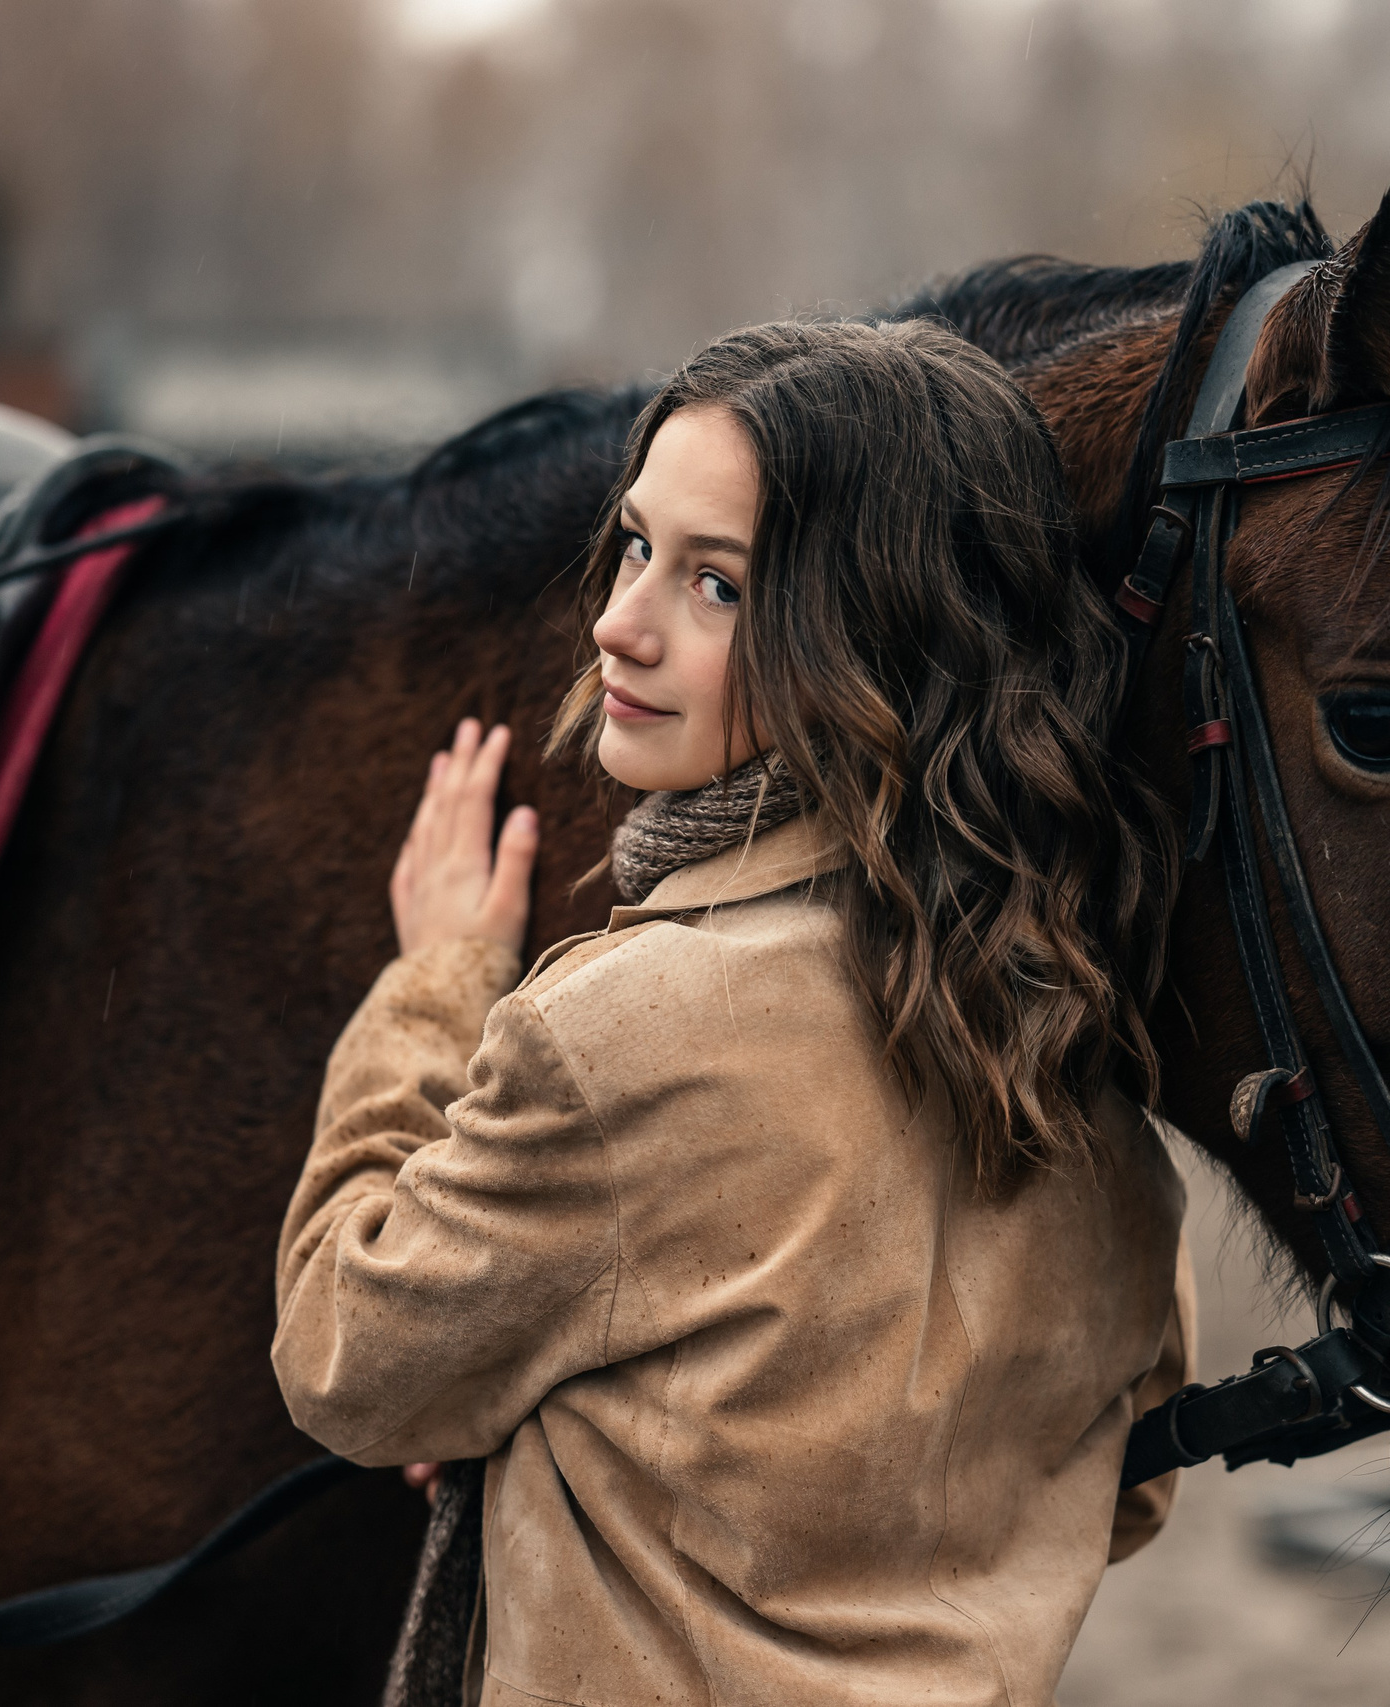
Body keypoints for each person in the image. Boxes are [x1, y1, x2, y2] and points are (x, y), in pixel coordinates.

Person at [273, 319, 1193, 1707]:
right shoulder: (1091, 1041)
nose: (617, 623)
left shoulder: (616, 1037)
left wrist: (437, 984)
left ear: (877, 634)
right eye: (637, 546)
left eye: (719, 586)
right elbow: (1127, 1480)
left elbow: (349, 1356)